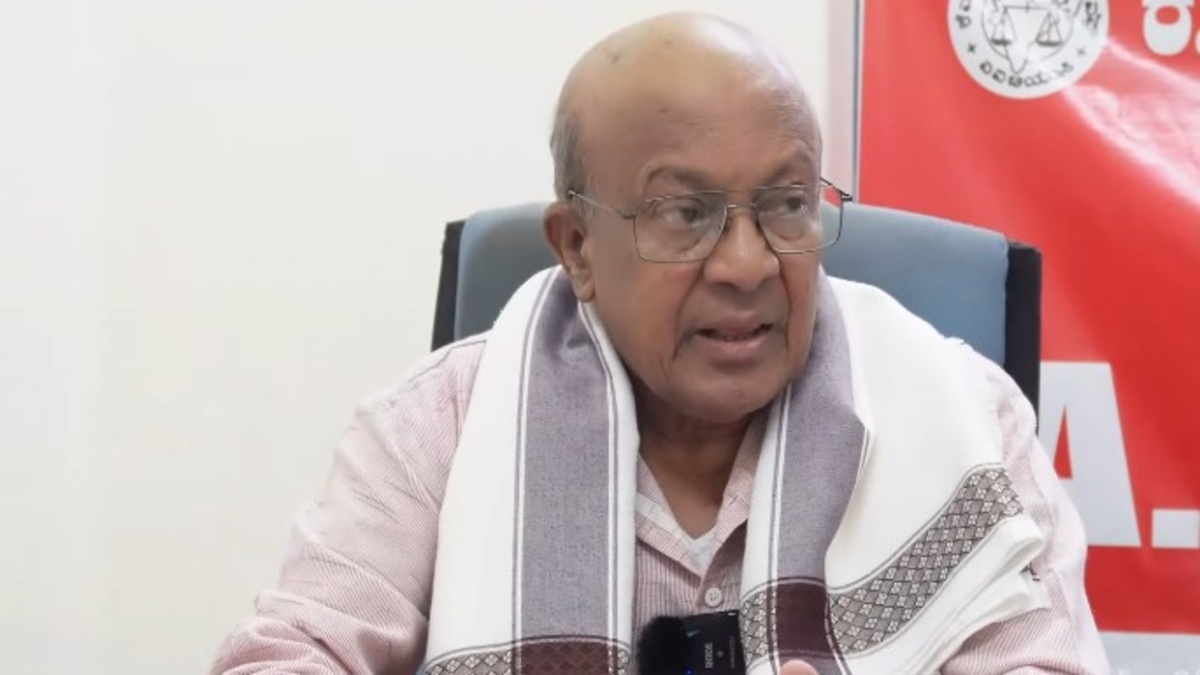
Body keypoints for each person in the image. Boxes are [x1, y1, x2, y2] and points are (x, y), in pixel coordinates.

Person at [210, 12, 1108, 675]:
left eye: (787, 204)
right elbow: (290, 651)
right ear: (577, 247)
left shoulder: (962, 416)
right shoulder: (438, 427)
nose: (748, 264)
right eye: (686, 214)